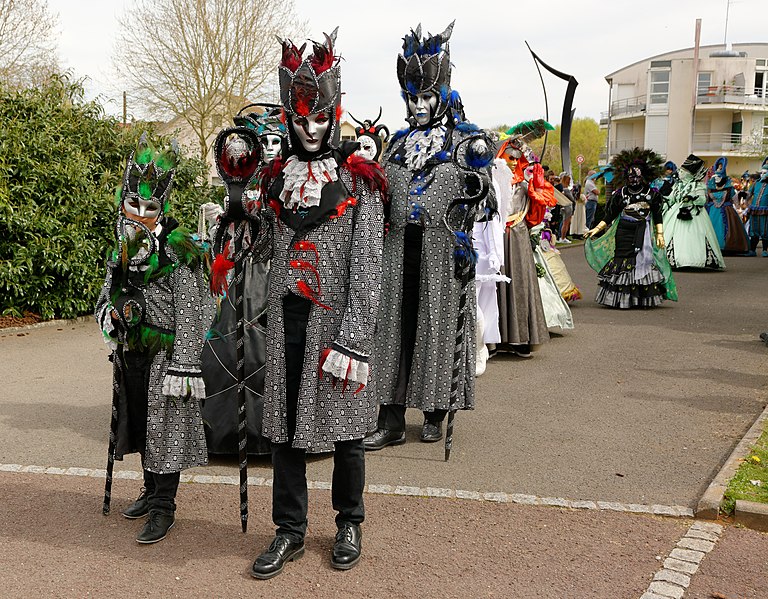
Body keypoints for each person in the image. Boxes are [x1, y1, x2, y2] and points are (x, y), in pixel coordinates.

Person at [217, 28, 386, 578]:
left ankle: (348, 520)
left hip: (338, 321)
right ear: (288, 116)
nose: (310, 129)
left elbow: (369, 266)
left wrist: (353, 337)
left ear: (333, 113)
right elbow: (264, 246)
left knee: (345, 428)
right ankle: (289, 529)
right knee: (285, 426)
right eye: (300, 118)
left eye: (319, 118)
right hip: (287, 317)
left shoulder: (358, 181)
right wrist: (241, 218)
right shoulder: (275, 179)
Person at [365, 22, 495, 450]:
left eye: (425, 97)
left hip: (441, 252)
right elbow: (381, 192)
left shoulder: (464, 141)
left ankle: (438, 411)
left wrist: (478, 189)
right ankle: (392, 418)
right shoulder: (399, 145)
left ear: (441, 95)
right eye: (412, 97)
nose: (418, 106)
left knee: (435, 328)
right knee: (395, 330)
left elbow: (485, 202)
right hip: (398, 250)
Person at [95, 137, 213, 544]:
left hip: (167, 355)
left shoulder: (180, 249)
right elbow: (107, 292)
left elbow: (196, 310)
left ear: (161, 208)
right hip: (132, 353)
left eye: (150, 208)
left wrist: (184, 362)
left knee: (166, 431)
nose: (141, 215)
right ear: (123, 203)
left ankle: (165, 506)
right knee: (143, 426)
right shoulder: (121, 245)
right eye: (134, 206)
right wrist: (110, 317)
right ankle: (149, 490)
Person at [199, 106, 288, 457]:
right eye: (261, 141)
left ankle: (267, 432)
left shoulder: (285, 182)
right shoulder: (238, 178)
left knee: (265, 343)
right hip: (234, 273)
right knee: (225, 342)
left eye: (274, 141)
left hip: (270, 275)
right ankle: (223, 432)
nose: (267, 148)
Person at [584, 147, 677, 309]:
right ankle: (621, 298)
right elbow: (610, 215)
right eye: (630, 176)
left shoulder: (652, 194)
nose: (633, 179)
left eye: (636, 175)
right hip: (624, 231)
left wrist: (660, 234)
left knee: (643, 260)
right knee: (622, 260)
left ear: (644, 176)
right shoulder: (621, 194)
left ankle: (641, 298)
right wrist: (596, 229)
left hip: (644, 232)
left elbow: (657, 214)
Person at [492, 135, 553, 358]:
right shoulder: (492, 183)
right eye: (509, 157)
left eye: (517, 159)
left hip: (517, 238)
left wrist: (537, 191)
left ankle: (520, 339)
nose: (513, 163)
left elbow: (535, 217)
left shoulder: (526, 186)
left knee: (519, 283)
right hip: (496, 238)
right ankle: (494, 340)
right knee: (494, 287)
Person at [662, 154, 726, 270]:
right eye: (681, 170)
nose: (680, 173)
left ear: (690, 173)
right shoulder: (677, 185)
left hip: (694, 215)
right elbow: (671, 198)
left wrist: (691, 198)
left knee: (694, 236)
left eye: (683, 171)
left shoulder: (698, 185)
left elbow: (702, 200)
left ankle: (693, 260)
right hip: (675, 213)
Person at [705, 156, 749, 254]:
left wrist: (738, 208)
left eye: (721, 168)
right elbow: (706, 199)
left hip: (726, 210)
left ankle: (726, 246)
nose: (717, 179)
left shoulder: (729, 187)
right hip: (711, 210)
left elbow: (734, 199)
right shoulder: (710, 187)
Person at [747, 157, 768, 256]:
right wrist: (747, 202)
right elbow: (749, 194)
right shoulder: (756, 183)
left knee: (765, 230)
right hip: (754, 210)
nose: (763, 174)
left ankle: (765, 250)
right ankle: (752, 250)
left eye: (765, 173)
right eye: (762, 172)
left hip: (766, 210)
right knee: (753, 230)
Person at [556, 172, 574, 243]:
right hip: (567, 207)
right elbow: (572, 199)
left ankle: (563, 237)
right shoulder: (566, 189)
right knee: (565, 223)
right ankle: (562, 237)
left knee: (565, 222)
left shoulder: (564, 189)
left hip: (567, 207)